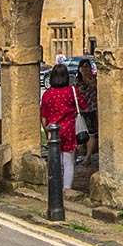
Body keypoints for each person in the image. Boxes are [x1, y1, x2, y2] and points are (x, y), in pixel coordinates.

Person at [40, 63, 80, 193]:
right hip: (69, 130)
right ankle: (67, 188)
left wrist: (47, 131)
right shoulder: (71, 91)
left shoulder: (48, 94)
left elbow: (43, 115)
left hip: (53, 130)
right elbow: (83, 105)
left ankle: (56, 186)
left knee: (55, 160)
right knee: (68, 161)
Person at [74, 58, 100, 164]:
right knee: (80, 133)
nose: (85, 69)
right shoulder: (77, 82)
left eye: (87, 66)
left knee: (92, 134)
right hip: (81, 111)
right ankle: (80, 153)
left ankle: (88, 157)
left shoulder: (95, 79)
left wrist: (91, 80)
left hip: (93, 109)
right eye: (82, 67)